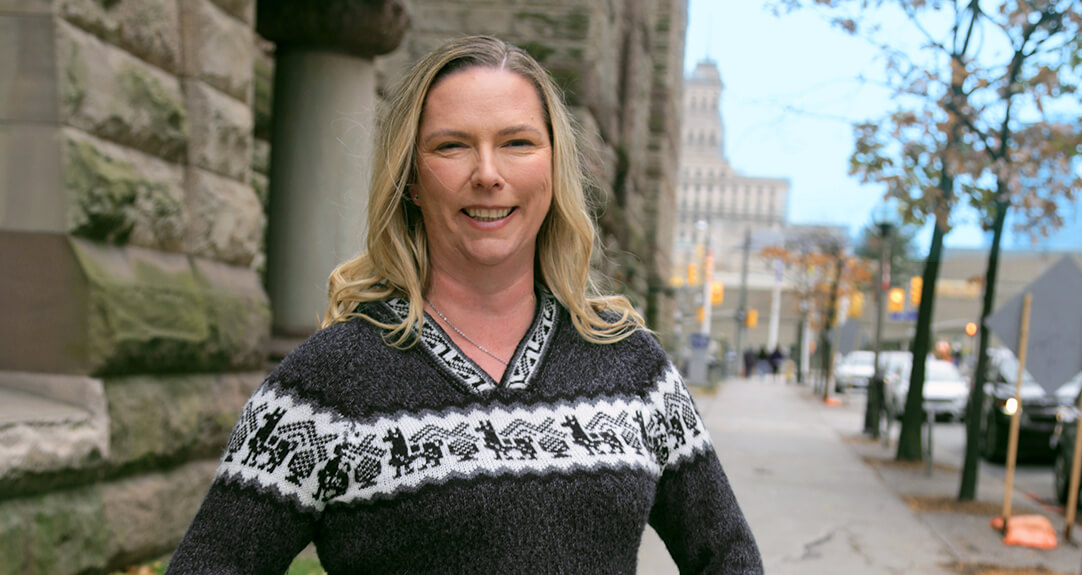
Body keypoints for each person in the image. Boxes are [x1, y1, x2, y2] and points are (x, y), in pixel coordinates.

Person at [167, 35, 762, 574]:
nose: (487, 173)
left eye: (517, 143)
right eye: (452, 146)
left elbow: (728, 555)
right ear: (412, 180)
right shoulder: (331, 380)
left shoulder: (631, 365)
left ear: (553, 169)